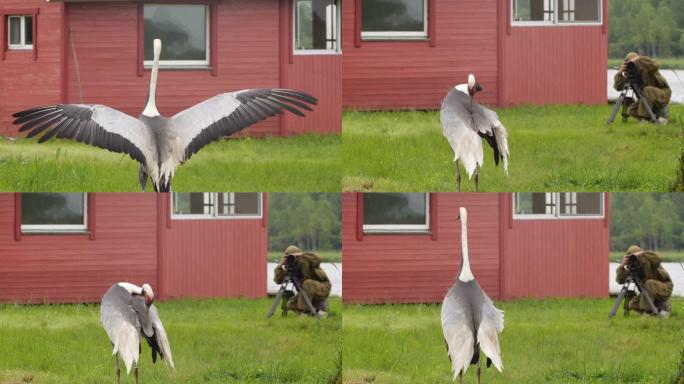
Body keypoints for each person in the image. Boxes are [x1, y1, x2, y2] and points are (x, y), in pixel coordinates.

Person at [613, 52, 671, 124]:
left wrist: (638, 59)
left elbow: (655, 65)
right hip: (647, 99)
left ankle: (645, 121)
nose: (632, 66)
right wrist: (619, 73)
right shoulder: (631, 75)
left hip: (662, 94)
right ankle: (657, 120)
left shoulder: (648, 69)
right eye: (629, 64)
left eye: (633, 63)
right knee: (631, 110)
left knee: (647, 90)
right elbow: (618, 87)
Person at [274, 245, 331, 317]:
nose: (292, 259)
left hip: (322, 288)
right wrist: (279, 266)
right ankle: (312, 311)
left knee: (307, 283)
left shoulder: (307, 261)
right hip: (306, 293)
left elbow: (318, 259)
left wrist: (302, 255)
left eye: (293, 256)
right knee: (291, 304)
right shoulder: (290, 267)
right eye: (289, 257)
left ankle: (309, 311)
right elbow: (278, 280)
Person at [616, 245, 673, 315]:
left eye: (635, 257)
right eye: (631, 257)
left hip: (664, 288)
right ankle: (660, 313)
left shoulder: (649, 261)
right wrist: (622, 266)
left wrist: (641, 254)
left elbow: (658, 258)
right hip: (649, 293)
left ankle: (647, 313)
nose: (634, 259)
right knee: (632, 304)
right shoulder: (631, 267)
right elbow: (620, 280)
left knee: (649, 283)